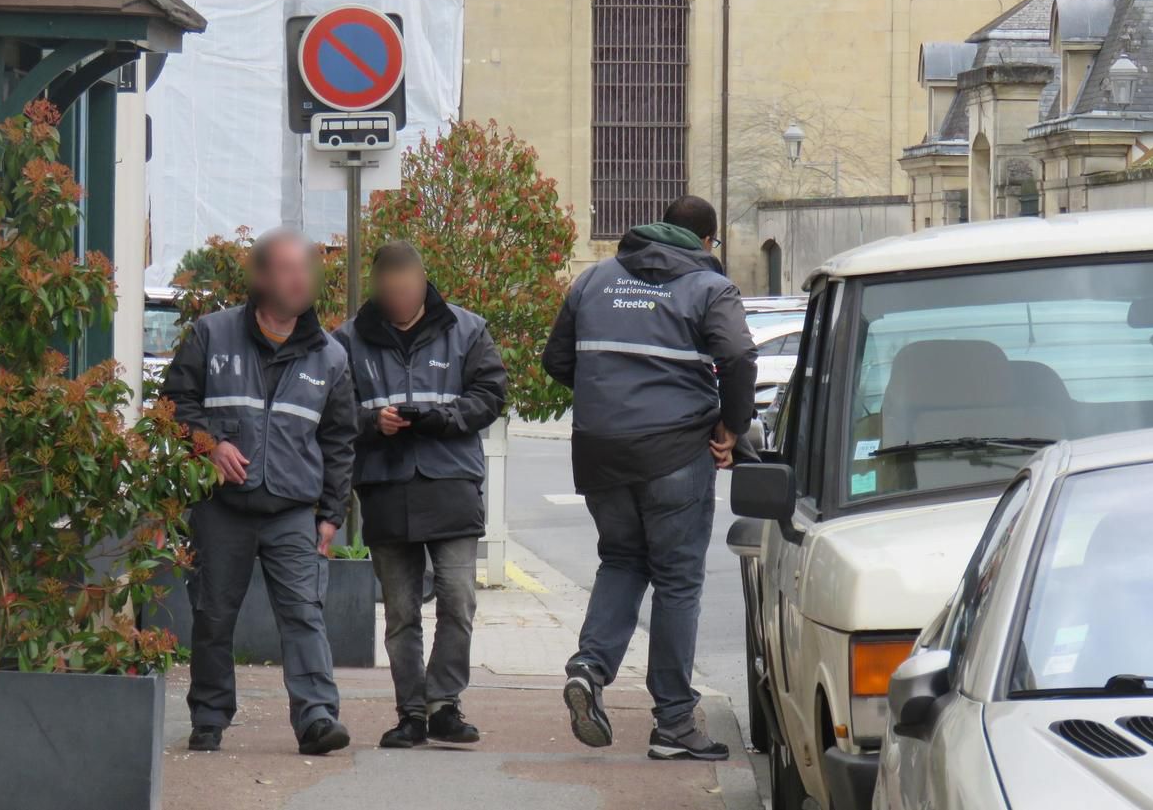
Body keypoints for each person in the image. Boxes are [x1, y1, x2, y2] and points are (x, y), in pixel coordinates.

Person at [542, 195, 757, 761]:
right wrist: (732, 426)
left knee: (621, 558)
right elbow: (737, 356)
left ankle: (590, 668)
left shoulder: (593, 281)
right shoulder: (710, 288)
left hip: (600, 451)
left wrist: (612, 400)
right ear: (708, 241)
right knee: (678, 579)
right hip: (674, 452)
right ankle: (674, 724)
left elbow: (557, 361)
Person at [162, 228, 358, 755]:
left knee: (304, 614)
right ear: (263, 277)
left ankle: (317, 718)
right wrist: (208, 446)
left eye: (307, 271)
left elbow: (340, 440)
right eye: (291, 270)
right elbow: (174, 404)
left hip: (292, 510)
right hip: (221, 508)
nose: (301, 280)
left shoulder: (330, 356)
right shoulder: (211, 335)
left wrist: (331, 514)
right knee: (213, 614)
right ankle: (209, 715)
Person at [334, 241, 507, 748]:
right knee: (401, 612)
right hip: (386, 488)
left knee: (458, 600)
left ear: (422, 282)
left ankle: (444, 705)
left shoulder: (467, 329)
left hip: (450, 483)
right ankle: (410, 712)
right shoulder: (347, 340)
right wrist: (373, 422)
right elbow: (333, 413)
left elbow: (492, 394)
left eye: (407, 291)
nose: (400, 300)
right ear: (378, 288)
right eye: (390, 293)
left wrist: (442, 420)